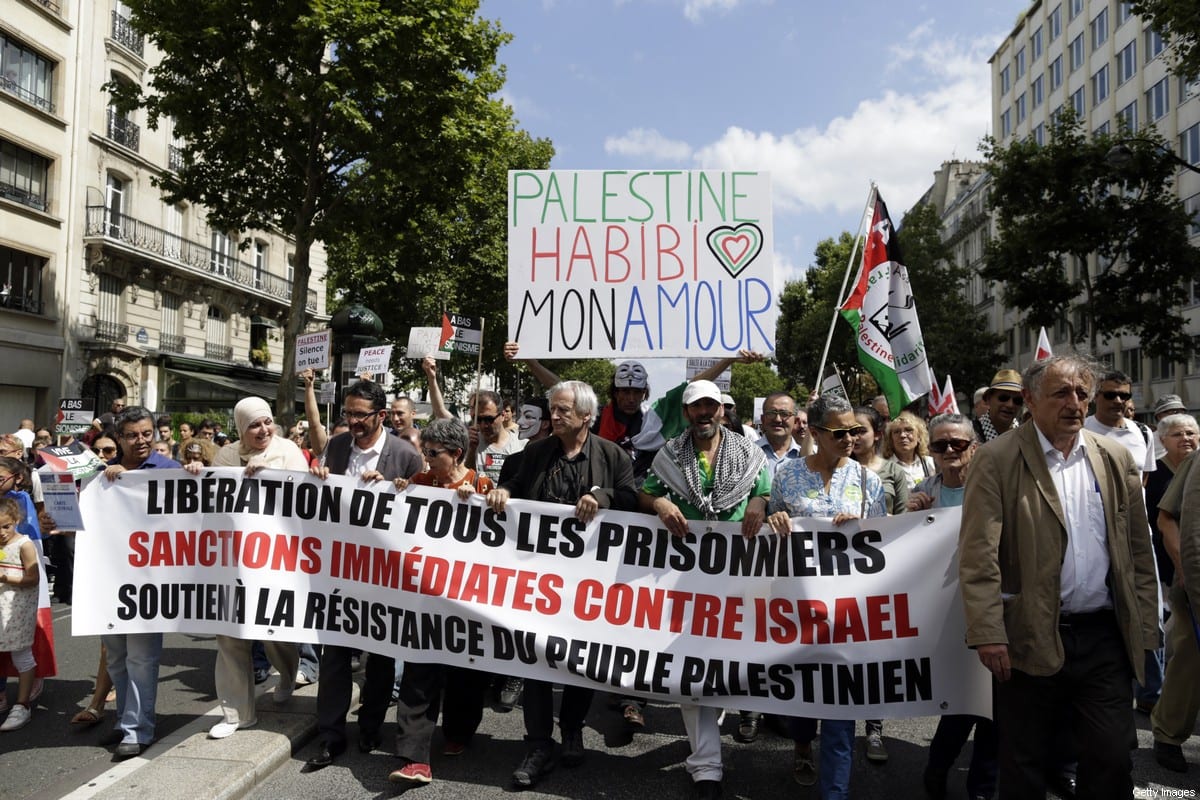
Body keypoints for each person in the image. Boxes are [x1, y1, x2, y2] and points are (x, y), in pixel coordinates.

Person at [958, 355, 1158, 800]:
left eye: (1082, 393)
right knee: (1024, 761)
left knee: (1111, 755)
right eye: (1061, 393)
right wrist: (988, 632)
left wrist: (1146, 621)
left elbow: (1137, 549)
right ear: (1030, 400)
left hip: (1104, 634)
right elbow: (978, 555)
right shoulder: (996, 459)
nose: (1075, 403)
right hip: (1029, 633)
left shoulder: (1114, 457)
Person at [486, 380, 637, 790]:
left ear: (586, 416)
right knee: (536, 658)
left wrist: (603, 497)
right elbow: (516, 485)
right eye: (553, 408)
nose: (554, 415)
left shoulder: (612, 456)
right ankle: (538, 743)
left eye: (563, 410)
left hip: (589, 584)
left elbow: (631, 499)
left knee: (579, 659)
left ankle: (571, 729)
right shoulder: (536, 453)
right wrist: (503, 492)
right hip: (539, 578)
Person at [640, 379, 771, 800]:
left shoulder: (751, 454)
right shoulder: (668, 455)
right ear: (686, 413)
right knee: (692, 663)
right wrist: (659, 503)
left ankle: (721, 727)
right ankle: (707, 766)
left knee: (733, 661)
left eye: (711, 406)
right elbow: (646, 494)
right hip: (687, 578)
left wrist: (760, 501)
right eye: (696, 407)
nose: (704, 414)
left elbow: (767, 492)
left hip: (740, 574)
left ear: (722, 410)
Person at [766, 393, 886, 798]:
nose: (850, 438)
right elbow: (773, 529)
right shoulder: (786, 476)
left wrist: (862, 526)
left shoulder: (868, 480)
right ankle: (802, 744)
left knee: (840, 712)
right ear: (815, 433)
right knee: (804, 699)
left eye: (854, 430)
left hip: (849, 612)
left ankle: (835, 792)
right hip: (800, 609)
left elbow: (885, 540)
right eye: (839, 432)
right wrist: (774, 516)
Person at [305, 380, 423, 769]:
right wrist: (317, 478)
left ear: (381, 416)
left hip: (385, 575)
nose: (353, 421)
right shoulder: (337, 446)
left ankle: (371, 726)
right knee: (334, 657)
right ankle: (331, 735)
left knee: (381, 659)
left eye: (360, 414)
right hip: (339, 570)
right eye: (348, 413)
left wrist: (394, 487)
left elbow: (424, 508)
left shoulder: (405, 455)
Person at [185, 397, 304, 739]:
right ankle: (237, 713)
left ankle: (288, 673)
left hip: (277, 561)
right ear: (240, 428)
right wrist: (196, 477)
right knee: (229, 635)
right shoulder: (226, 455)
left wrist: (269, 478)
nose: (263, 430)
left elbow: (304, 500)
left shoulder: (288, 451)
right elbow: (213, 497)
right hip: (233, 561)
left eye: (267, 422)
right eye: (254, 425)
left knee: (276, 633)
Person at [387, 418, 496, 785]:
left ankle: (459, 731)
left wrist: (486, 502)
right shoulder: (421, 482)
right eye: (425, 451)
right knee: (419, 673)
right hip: (425, 599)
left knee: (465, 676)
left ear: (457, 454)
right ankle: (414, 758)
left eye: (433, 453)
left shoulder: (480, 485)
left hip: (466, 602)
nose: (427, 459)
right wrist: (396, 489)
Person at [503, 342, 763, 482]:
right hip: (601, 493)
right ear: (615, 392)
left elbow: (693, 386)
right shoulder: (597, 416)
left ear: (644, 393)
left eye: (636, 392)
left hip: (643, 497)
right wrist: (528, 360)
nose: (630, 398)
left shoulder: (655, 418)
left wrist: (729, 360)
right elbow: (561, 387)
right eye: (624, 391)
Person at [908, 414, 997, 800]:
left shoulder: (995, 486)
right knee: (962, 701)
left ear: (973, 448)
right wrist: (909, 518)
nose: (949, 451)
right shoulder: (922, 492)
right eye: (940, 444)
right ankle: (938, 766)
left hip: (992, 607)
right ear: (930, 451)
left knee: (996, 704)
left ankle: (982, 787)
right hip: (944, 612)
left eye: (957, 444)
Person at [99, 406, 181, 759]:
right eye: (132, 435)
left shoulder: (170, 471)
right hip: (110, 579)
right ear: (119, 438)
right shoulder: (102, 475)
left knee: (142, 658)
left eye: (147, 433)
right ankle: (124, 719)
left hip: (151, 581)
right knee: (117, 657)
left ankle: (138, 729)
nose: (142, 440)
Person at [1151, 447, 1200, 773]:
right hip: (1194, 585)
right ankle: (1168, 735)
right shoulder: (1197, 461)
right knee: (1189, 663)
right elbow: (1167, 518)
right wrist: (1187, 571)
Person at [0, 496, 39, 732]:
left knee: (21, 654)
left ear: (16, 520)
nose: (2, 533)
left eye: (6, 526)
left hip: (18, 609)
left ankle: (23, 704)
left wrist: (6, 577)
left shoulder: (24, 544)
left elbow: (33, 578)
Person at [883, 411, 934, 490]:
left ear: (919, 436)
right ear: (891, 439)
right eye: (897, 432)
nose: (902, 435)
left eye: (908, 430)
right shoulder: (884, 468)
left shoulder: (930, 463)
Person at [972, 369, 1023, 443]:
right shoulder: (970, 434)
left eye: (1017, 400)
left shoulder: (1026, 436)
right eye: (1003, 398)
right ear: (988, 399)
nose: (1010, 405)